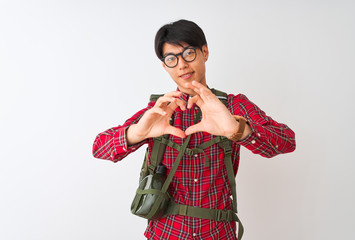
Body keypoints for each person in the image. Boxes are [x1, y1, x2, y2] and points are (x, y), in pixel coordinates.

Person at [92, 19, 296, 240]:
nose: (182, 65)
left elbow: (286, 142)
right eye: (171, 59)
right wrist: (137, 133)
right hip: (165, 233)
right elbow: (99, 147)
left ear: (204, 52)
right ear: (164, 65)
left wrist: (238, 130)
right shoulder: (159, 110)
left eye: (188, 53)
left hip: (218, 234)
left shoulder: (233, 106)